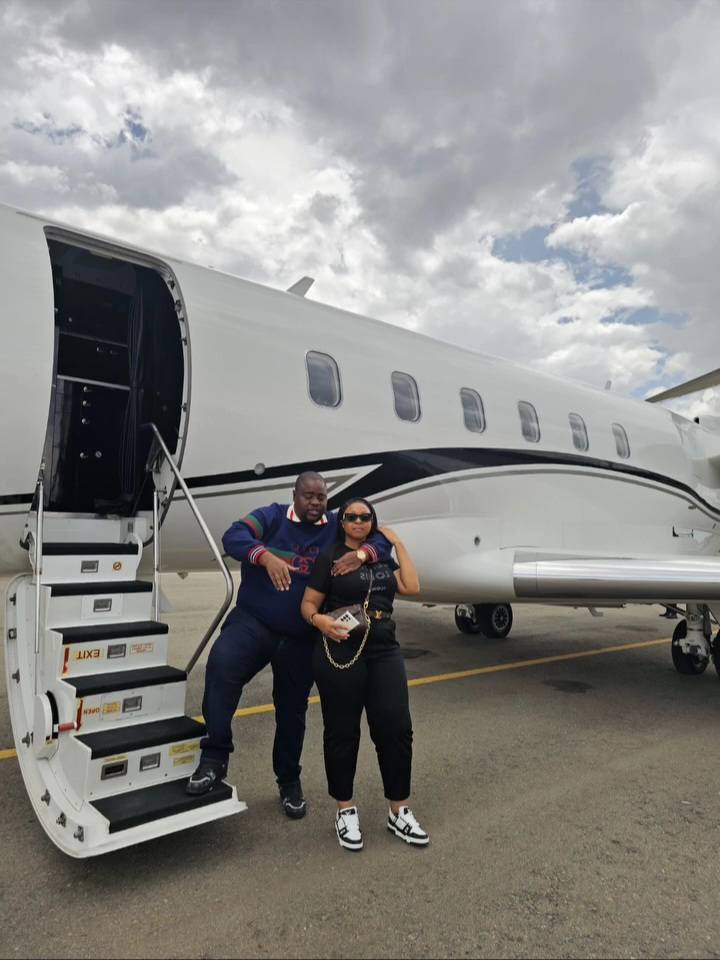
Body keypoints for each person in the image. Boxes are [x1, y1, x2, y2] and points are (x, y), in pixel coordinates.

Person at [187, 472, 391, 819]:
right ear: (294, 494)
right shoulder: (271, 516)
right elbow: (233, 535)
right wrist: (264, 557)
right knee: (221, 668)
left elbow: (382, 540)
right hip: (254, 623)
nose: (315, 502)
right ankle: (214, 758)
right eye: (308, 496)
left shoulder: (335, 524)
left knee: (292, 712)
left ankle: (288, 781)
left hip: (300, 637)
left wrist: (362, 554)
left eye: (321, 497)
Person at [301, 497, 429, 851]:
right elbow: (308, 604)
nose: (358, 521)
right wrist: (320, 621)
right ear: (341, 522)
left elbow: (412, 586)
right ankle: (345, 809)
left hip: (384, 649)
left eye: (365, 516)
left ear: (373, 520)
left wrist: (397, 542)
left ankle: (399, 810)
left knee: (397, 728)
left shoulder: (381, 556)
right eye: (351, 516)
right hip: (341, 649)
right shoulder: (330, 557)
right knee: (342, 732)